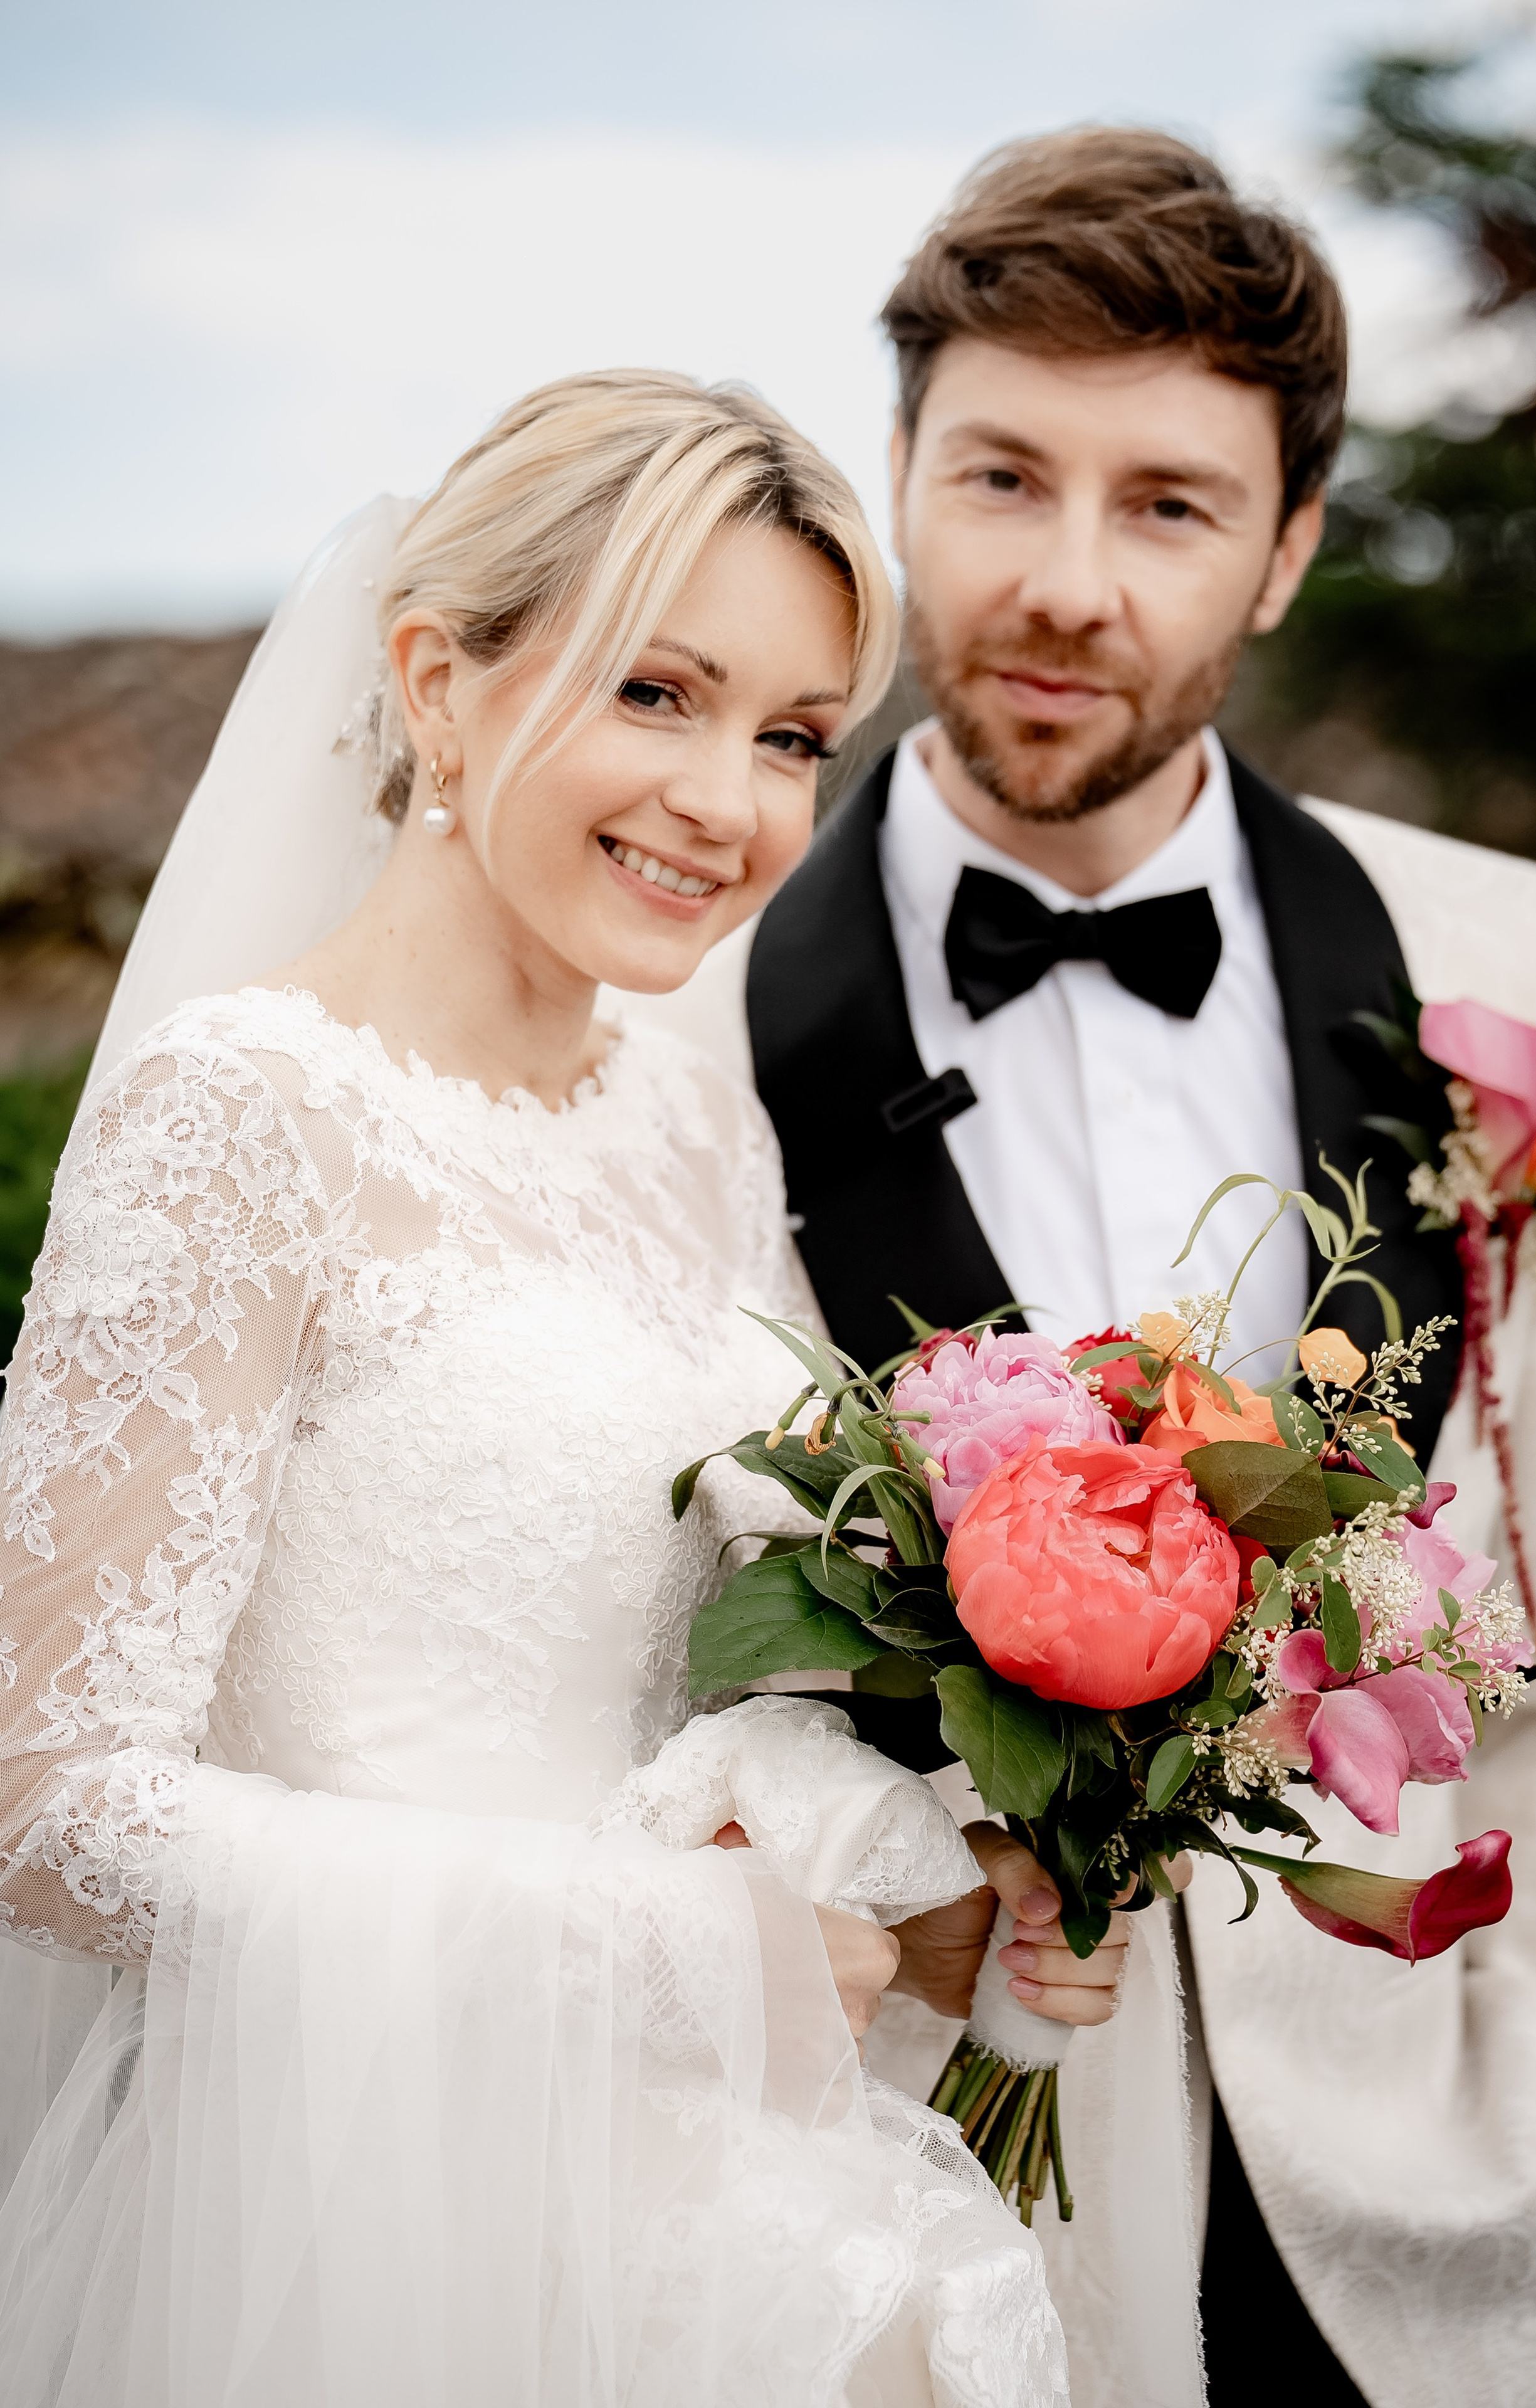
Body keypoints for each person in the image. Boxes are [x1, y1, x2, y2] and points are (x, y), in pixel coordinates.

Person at [642, 132, 1536, 2408]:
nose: (1068, 582)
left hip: (1448, 2200)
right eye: (1002, 477)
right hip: (903, 2238)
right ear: (896, 477)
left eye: (1169, 505)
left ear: (1283, 556)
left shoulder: (1526, 964)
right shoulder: (666, 1024)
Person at [0, 372, 1075, 2406]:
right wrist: (652, 1959)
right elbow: (44, 1806)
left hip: (738, 2216)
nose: (728, 802)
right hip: (367, 2222)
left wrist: (944, 1886)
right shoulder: (245, 1114)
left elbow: (673, 1700)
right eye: (655, 694)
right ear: (438, 681)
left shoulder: (698, 1131)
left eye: (789, 739)